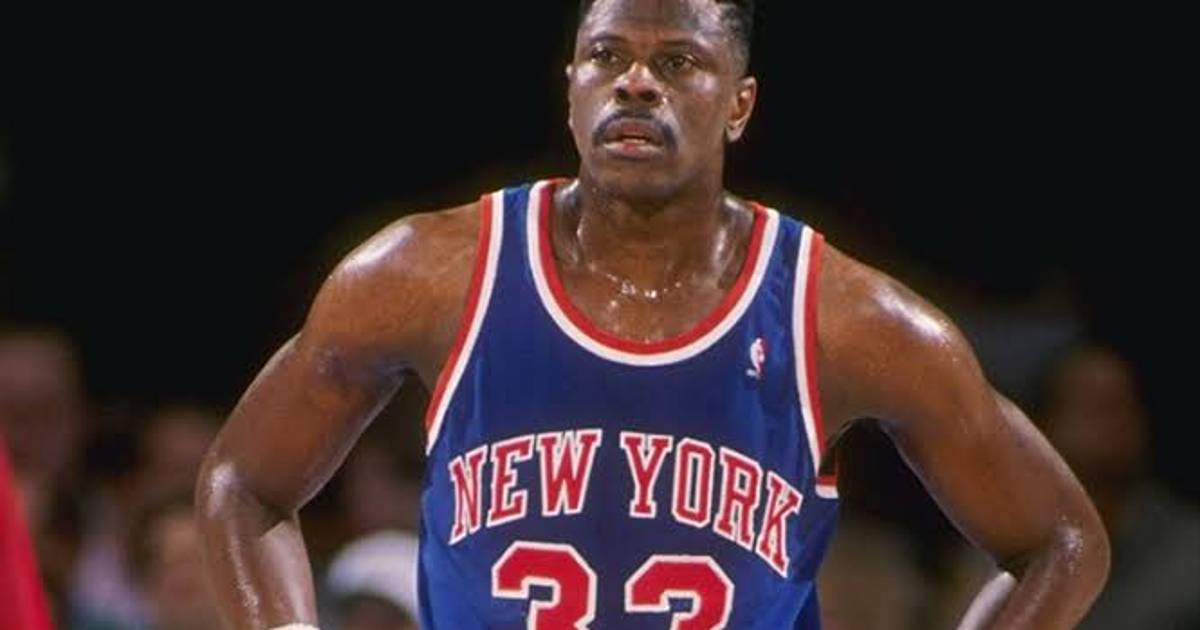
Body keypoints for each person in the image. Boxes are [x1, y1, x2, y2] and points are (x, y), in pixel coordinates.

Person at [196, 1, 1110, 628]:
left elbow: (1061, 543)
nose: (635, 82)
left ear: (739, 105)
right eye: (607, 56)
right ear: (570, 87)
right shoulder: (427, 275)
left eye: (677, 62)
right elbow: (244, 481)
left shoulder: (846, 319)